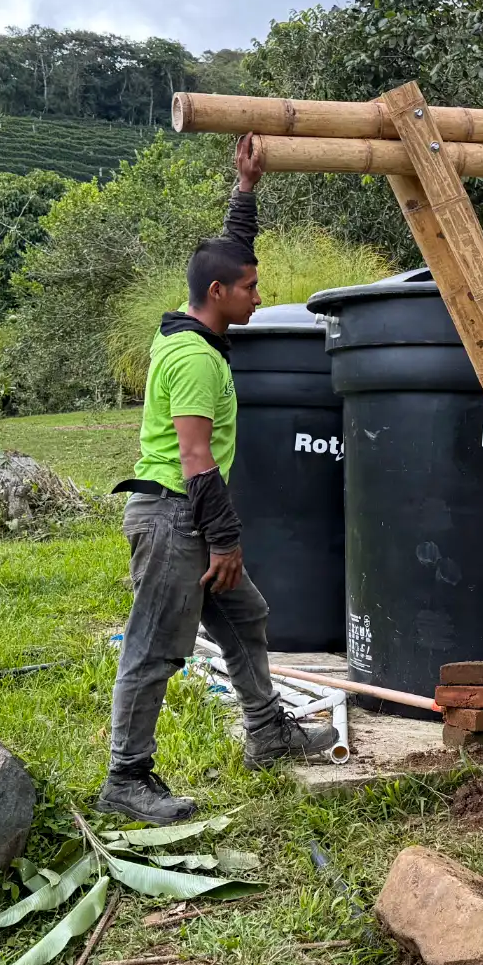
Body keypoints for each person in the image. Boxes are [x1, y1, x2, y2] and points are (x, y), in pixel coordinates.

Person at [98, 134, 337, 825]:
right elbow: (197, 458)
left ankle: (268, 734)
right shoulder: (197, 363)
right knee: (155, 648)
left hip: (183, 518)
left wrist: (247, 191)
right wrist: (225, 542)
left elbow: (226, 256)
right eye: (251, 288)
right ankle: (126, 778)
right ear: (217, 294)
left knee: (247, 617)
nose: (260, 296)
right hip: (176, 520)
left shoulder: (187, 332)